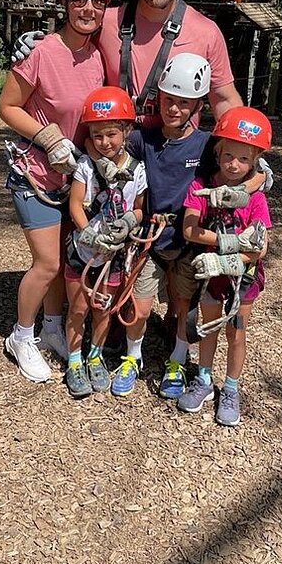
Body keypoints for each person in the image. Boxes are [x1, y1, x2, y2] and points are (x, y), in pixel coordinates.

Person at [0, 0, 112, 383]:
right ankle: (20, 335)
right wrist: (48, 138)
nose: (88, 8)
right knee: (46, 263)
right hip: (36, 176)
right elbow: (7, 106)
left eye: (97, 1)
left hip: (75, 179)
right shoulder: (41, 52)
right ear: (64, 3)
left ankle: (50, 327)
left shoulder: (98, 57)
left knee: (65, 259)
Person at [14, 0, 243, 125]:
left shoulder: (206, 33)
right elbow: (68, 44)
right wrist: (34, 44)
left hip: (174, 153)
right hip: (115, 149)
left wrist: (244, 145)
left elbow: (224, 99)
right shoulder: (107, 22)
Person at [108, 52, 212, 398]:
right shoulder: (145, 140)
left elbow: (241, 164)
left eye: (184, 103)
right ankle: (133, 356)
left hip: (188, 241)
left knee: (183, 307)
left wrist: (258, 179)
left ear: (197, 106)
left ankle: (178, 360)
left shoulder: (206, 145)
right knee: (139, 306)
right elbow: (109, 141)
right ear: (159, 98)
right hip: (149, 239)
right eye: (169, 100)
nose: (174, 109)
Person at [177, 106, 272, 426]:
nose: (234, 164)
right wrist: (229, 244)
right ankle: (204, 379)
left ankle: (230, 388)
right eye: (228, 155)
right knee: (209, 327)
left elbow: (259, 248)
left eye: (244, 159)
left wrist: (225, 257)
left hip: (241, 278)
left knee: (236, 331)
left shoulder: (256, 198)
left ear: (255, 160)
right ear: (217, 153)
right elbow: (189, 229)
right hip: (211, 277)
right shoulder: (201, 186)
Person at [63, 86, 147, 398]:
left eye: (111, 134)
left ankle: (95, 355)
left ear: (126, 131)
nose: (104, 142)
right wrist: (88, 232)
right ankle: (75, 360)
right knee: (78, 308)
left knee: (103, 309)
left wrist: (129, 222)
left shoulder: (137, 170)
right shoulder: (87, 166)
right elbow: (75, 204)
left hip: (114, 255)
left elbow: (139, 207)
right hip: (84, 251)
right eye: (97, 135)